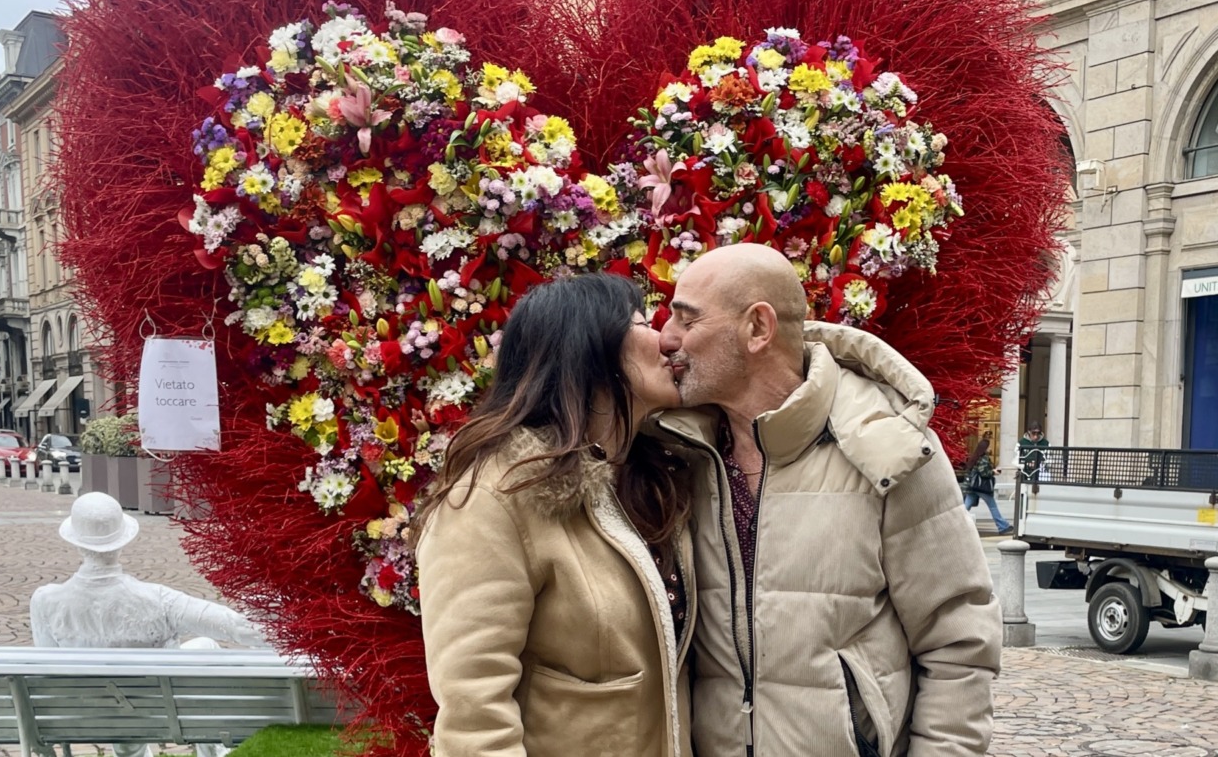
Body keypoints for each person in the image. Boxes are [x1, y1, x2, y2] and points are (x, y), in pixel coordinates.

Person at [656, 244, 1001, 756]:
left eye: (687, 319)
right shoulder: (676, 454)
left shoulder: (888, 447)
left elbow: (958, 640)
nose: (667, 338)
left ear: (757, 329)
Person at [417, 274, 694, 757]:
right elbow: (473, 712)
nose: (668, 337)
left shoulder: (649, 480)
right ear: (589, 347)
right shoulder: (496, 496)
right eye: (643, 322)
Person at [31, 492, 267, 757]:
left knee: (122, 710)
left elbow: (47, 672)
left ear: (77, 543)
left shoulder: (45, 601)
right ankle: (212, 751)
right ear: (122, 543)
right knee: (206, 647)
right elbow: (236, 627)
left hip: (89, 715)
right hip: (160, 709)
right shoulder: (158, 600)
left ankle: (129, 748)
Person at [963, 431, 1012, 535]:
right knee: (992, 506)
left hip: (972, 487)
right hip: (982, 487)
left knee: (965, 507)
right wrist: (993, 472)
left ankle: (956, 524)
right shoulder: (984, 458)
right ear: (985, 448)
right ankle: (1002, 526)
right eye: (989, 446)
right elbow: (984, 473)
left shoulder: (975, 457)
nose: (991, 448)